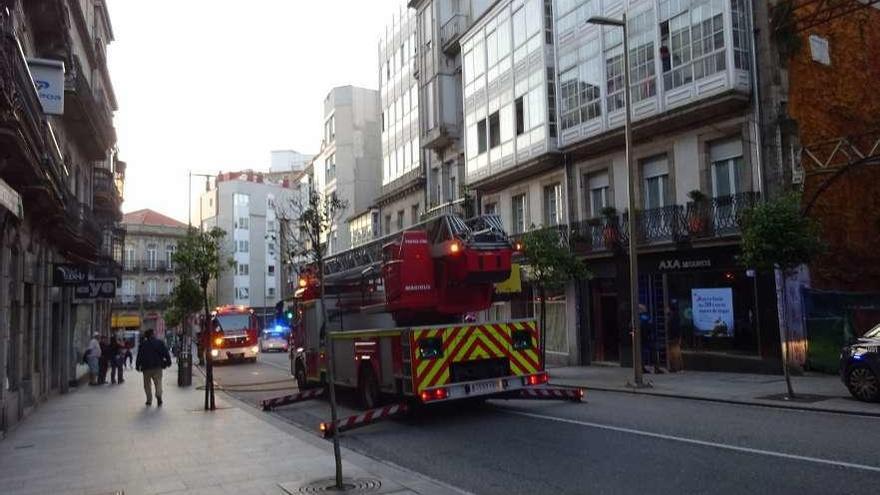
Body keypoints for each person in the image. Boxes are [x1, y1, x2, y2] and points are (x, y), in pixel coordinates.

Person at [136, 329, 172, 406]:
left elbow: (139, 356)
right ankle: (159, 395)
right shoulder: (159, 343)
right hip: (157, 367)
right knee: (158, 382)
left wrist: (137, 366)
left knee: (147, 385)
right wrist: (168, 362)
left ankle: (149, 400)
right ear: (152, 334)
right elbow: (166, 353)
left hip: (146, 368)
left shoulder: (143, 344)